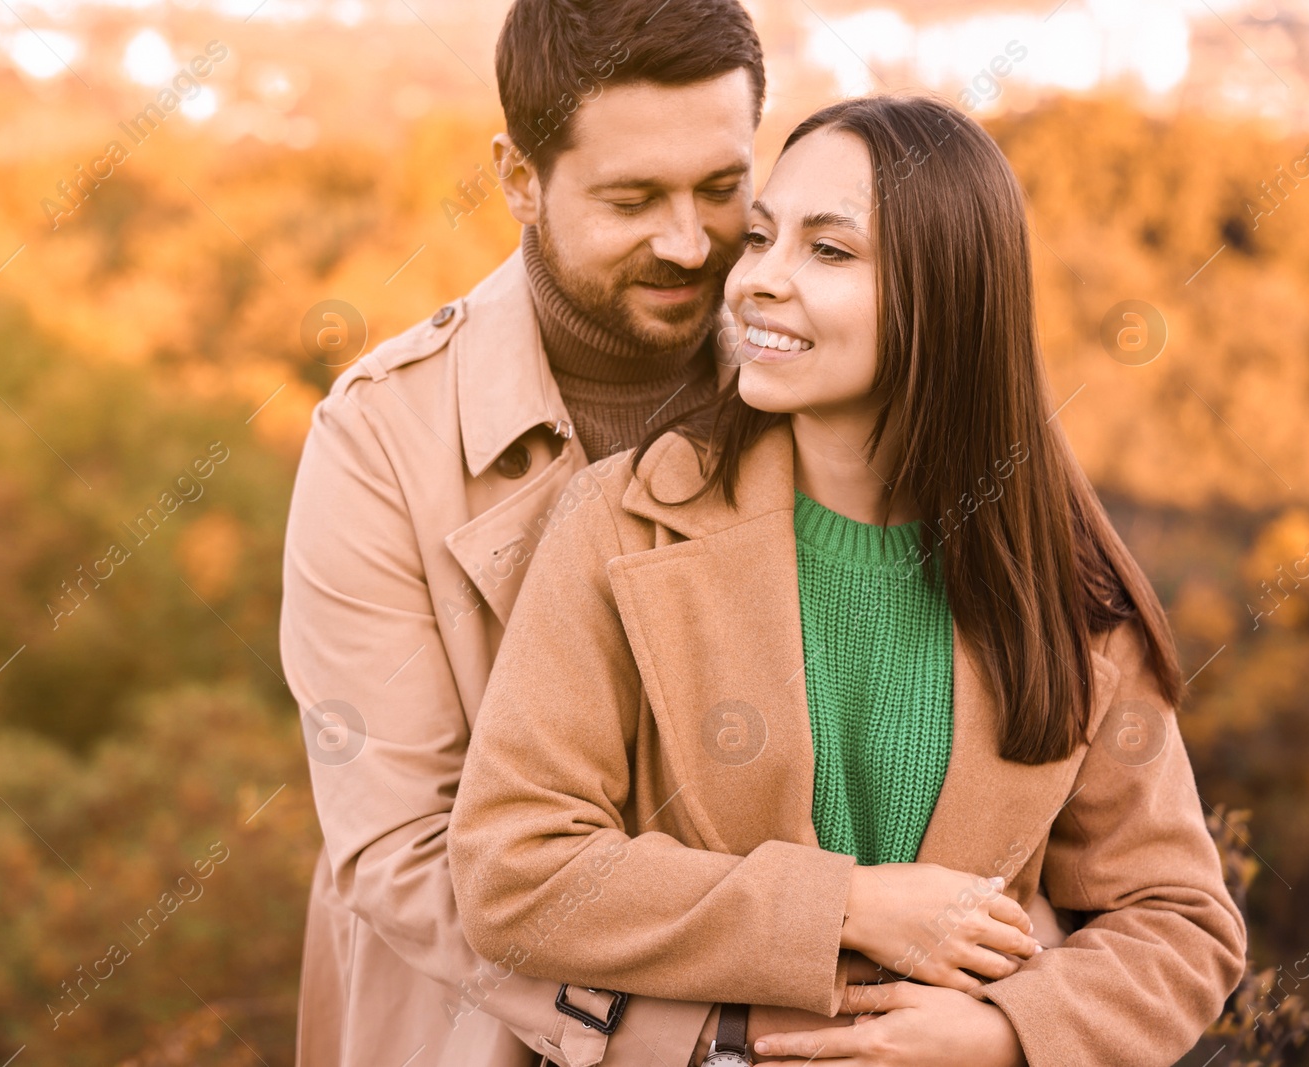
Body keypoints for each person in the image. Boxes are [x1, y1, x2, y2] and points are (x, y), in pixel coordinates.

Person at [448, 95, 1247, 1067]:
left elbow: (1175, 919)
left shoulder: (1064, 588)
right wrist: (845, 905)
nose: (755, 282)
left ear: (943, 298)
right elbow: (513, 870)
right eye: (759, 237)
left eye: (828, 252)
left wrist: (1004, 1031)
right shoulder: (617, 520)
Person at [280, 2, 771, 1064]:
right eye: (633, 198)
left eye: (722, 189)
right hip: (483, 1030)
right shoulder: (377, 437)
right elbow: (402, 844)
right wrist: (698, 1036)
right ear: (518, 178)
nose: (689, 242)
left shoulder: (826, 388)